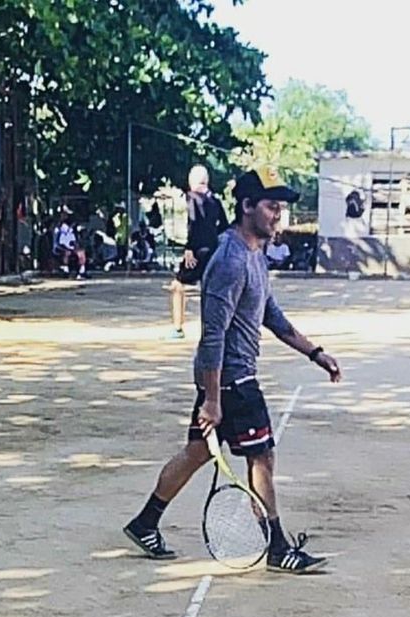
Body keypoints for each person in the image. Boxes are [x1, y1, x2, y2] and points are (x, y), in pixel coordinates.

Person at [123, 166, 342, 574]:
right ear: (246, 207)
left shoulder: (254, 254)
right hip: (232, 381)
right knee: (262, 458)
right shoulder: (229, 260)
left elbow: (270, 315)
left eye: (280, 208)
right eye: (271, 206)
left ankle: (145, 522)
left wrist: (315, 353)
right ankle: (278, 548)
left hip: (225, 381)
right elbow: (212, 335)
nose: (278, 215)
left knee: (194, 454)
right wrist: (212, 398)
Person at [168, 164, 229, 339]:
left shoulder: (191, 198)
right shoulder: (216, 201)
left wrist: (189, 247)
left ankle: (177, 328)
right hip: (214, 250)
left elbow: (192, 223)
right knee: (209, 290)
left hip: (196, 250)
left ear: (191, 181)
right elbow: (224, 227)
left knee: (178, 286)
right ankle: (213, 328)